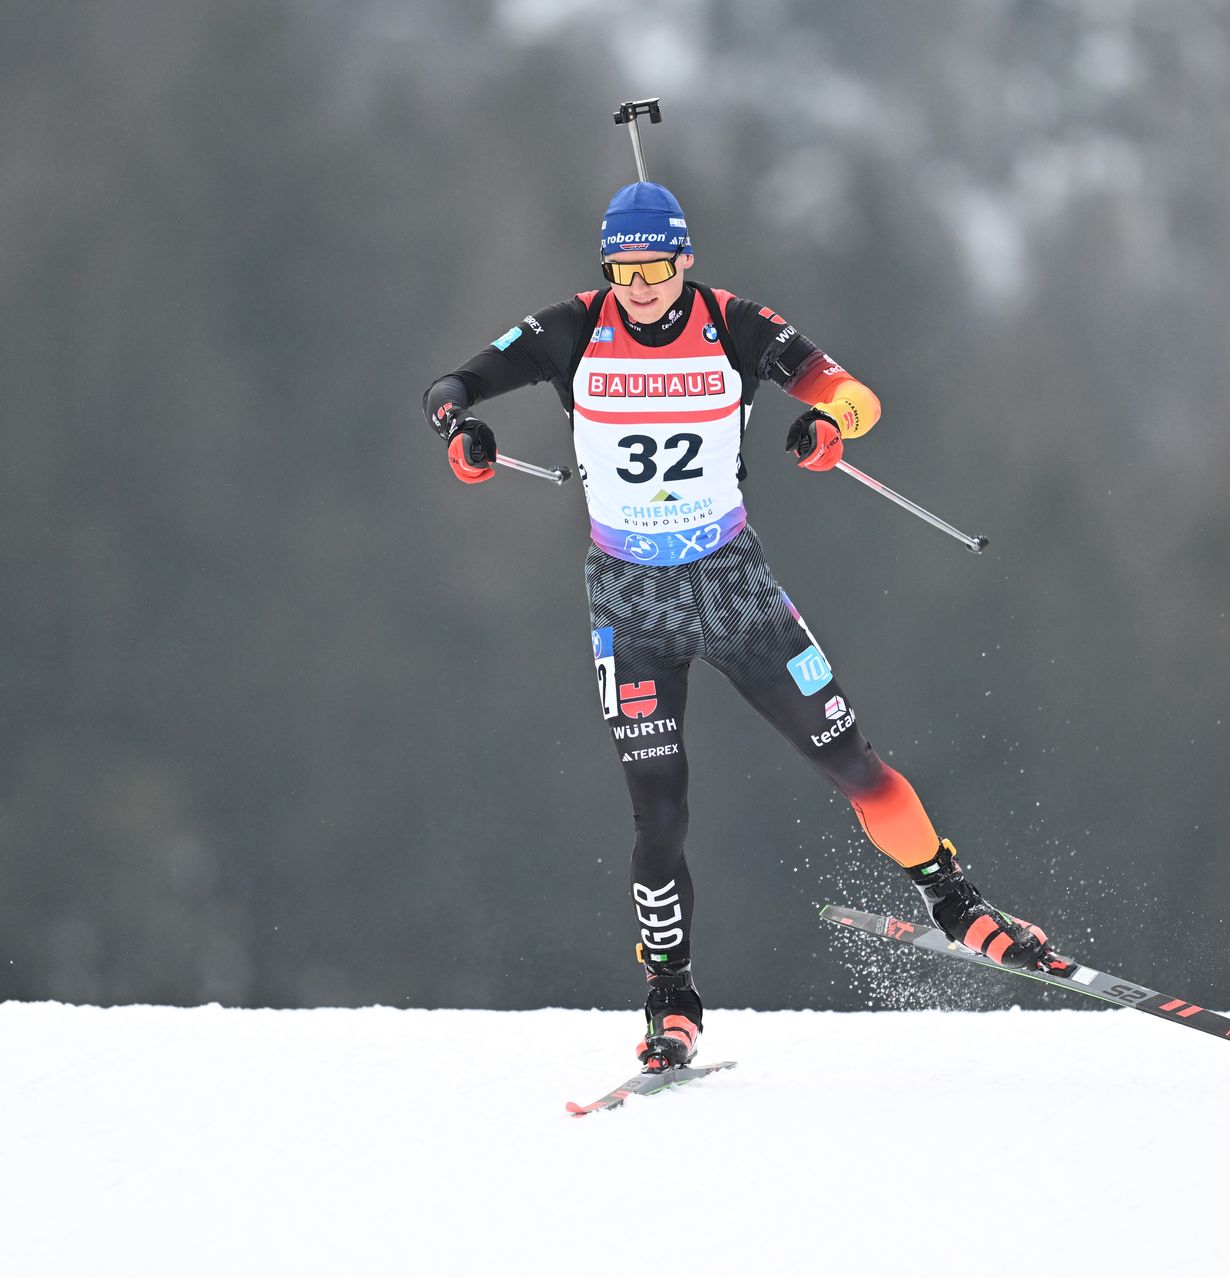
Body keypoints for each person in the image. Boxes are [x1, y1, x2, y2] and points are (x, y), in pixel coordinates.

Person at [422, 181, 1061, 1071]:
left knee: (854, 764)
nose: (638, 286)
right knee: (660, 815)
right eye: (622, 269)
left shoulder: (733, 324)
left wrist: (827, 423)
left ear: (684, 259)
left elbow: (854, 396)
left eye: (654, 267)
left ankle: (958, 904)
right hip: (630, 599)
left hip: (732, 585)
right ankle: (671, 998)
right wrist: (462, 432)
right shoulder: (571, 328)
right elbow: (452, 386)